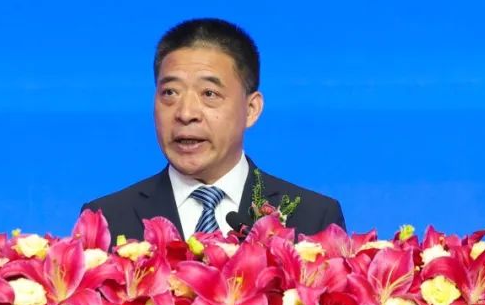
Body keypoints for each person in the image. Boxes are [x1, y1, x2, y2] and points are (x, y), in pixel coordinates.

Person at [81, 18, 345, 242]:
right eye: (170, 93)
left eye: (209, 93)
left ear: (251, 109)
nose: (186, 113)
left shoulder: (313, 219)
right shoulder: (107, 220)